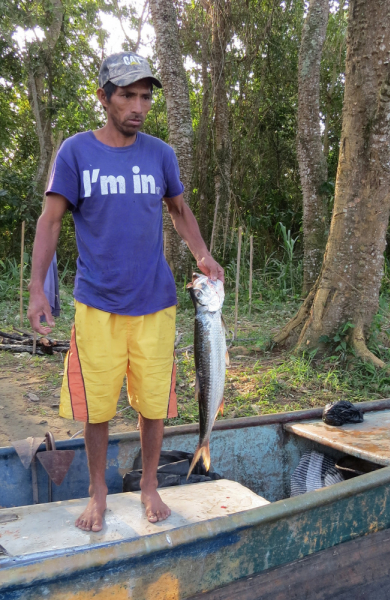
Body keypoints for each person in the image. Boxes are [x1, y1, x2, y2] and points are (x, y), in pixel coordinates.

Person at [27, 52, 223, 532]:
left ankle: (149, 485)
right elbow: (50, 220)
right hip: (97, 305)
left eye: (145, 96)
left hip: (155, 304)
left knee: (154, 404)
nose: (138, 106)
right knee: (97, 406)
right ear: (104, 98)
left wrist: (202, 255)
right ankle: (98, 493)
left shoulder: (160, 154)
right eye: (127, 95)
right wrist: (36, 288)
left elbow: (178, 209)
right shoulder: (76, 152)